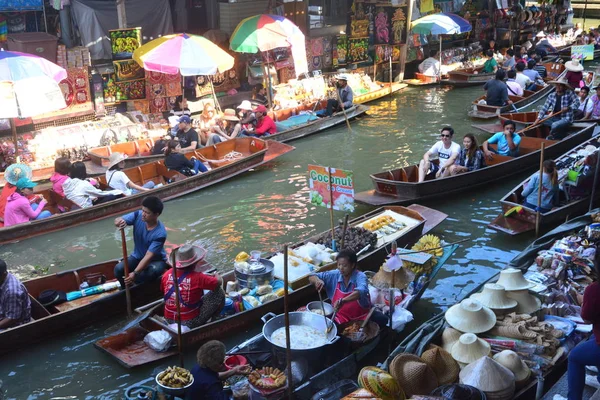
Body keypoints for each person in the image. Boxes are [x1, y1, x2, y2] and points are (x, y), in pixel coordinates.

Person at [553, 250, 600, 400]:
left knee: (574, 357)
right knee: (593, 337)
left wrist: (582, 300)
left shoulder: (594, 289)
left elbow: (587, 319)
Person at [308, 249, 387, 328]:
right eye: (339, 264)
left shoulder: (360, 276)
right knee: (332, 330)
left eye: (344, 265)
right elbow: (312, 276)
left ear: (352, 265)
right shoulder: (335, 274)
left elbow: (361, 292)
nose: (341, 268)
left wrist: (343, 301)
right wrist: (317, 281)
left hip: (362, 316)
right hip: (340, 316)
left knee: (383, 319)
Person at [161, 244, 225, 329]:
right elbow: (219, 282)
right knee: (219, 292)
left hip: (168, 318)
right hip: (189, 322)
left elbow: (163, 290)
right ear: (195, 262)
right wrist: (216, 275)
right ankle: (215, 319)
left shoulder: (166, 274)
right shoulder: (198, 277)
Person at [113, 196, 168, 289]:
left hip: (155, 261)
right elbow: (117, 220)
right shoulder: (137, 215)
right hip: (137, 256)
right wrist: (120, 222)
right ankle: (126, 289)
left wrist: (135, 273)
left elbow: (148, 256)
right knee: (118, 270)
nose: (143, 214)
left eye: (147, 213)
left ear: (156, 214)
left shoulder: (160, 233)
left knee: (148, 273)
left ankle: (140, 289)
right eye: (143, 210)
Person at [186, 340, 251, 400]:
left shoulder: (198, 367)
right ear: (212, 364)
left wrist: (234, 371)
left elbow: (215, 376)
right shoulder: (212, 386)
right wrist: (240, 394)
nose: (223, 364)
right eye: (221, 362)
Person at [0, 259, 31, 330]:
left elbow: (12, 318)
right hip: (4, 309)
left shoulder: (12, 291)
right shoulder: (3, 278)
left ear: (3, 274)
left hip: (15, 324)